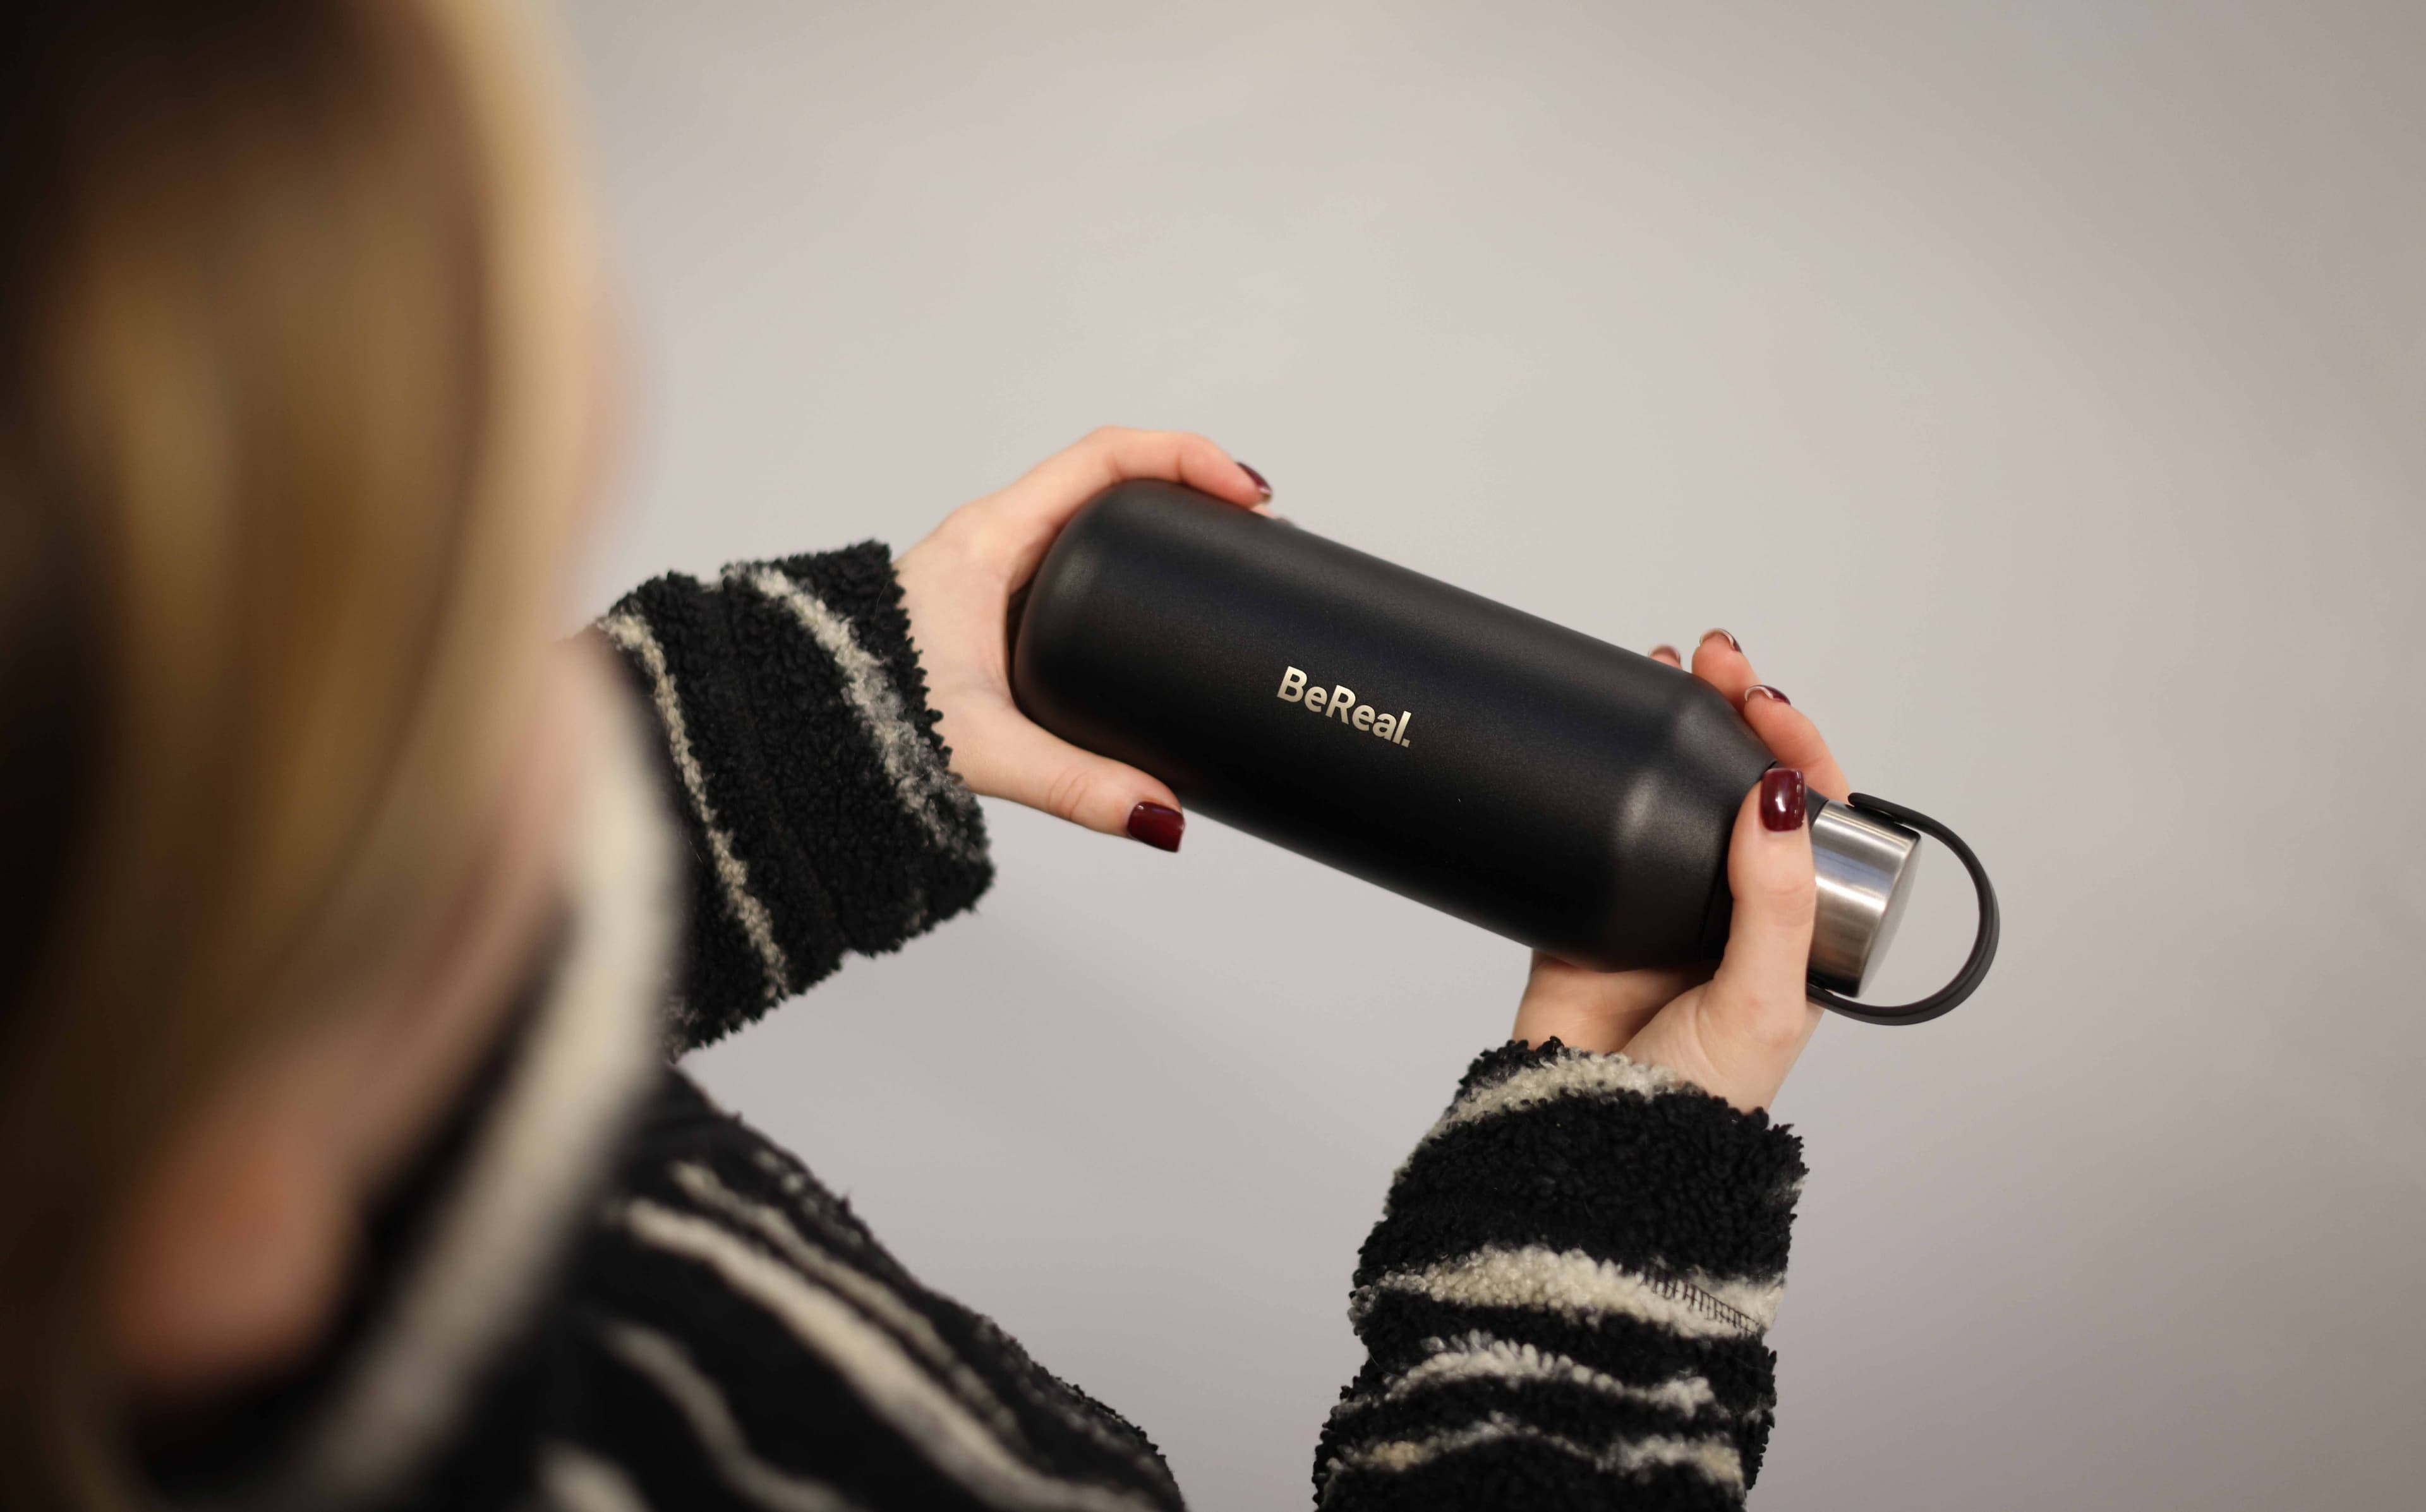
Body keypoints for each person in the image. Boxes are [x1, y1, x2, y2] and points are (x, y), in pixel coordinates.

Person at [0, 3, 1846, 1508]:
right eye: (474, 652)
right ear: (216, 1204)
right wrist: (1579, 1291)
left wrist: (813, 702)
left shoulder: (233, 1109)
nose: (572, 711)